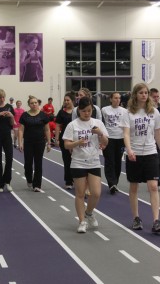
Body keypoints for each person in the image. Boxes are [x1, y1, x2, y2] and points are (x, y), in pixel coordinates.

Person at [63, 97, 108, 233]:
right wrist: (77, 143)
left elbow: (106, 142)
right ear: (79, 111)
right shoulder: (73, 125)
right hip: (78, 162)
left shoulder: (97, 123)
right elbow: (66, 145)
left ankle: (89, 212)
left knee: (96, 193)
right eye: (84, 111)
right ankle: (82, 221)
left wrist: (100, 133)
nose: (87, 113)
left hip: (94, 161)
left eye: (89, 111)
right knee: (80, 193)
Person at [120, 83, 160, 233]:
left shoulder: (154, 112)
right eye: (141, 92)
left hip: (151, 152)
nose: (144, 95)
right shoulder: (128, 113)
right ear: (135, 94)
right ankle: (136, 217)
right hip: (134, 153)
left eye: (146, 92)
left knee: (153, 186)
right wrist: (129, 150)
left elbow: (157, 134)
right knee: (134, 186)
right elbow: (126, 134)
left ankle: (156, 220)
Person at [18, 96, 51, 192]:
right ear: (29, 104)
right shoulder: (24, 115)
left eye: (36, 102)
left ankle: (37, 185)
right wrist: (20, 142)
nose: (34, 104)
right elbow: (21, 130)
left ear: (38, 103)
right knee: (28, 163)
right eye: (32, 103)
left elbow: (47, 129)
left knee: (38, 163)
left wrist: (49, 143)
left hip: (40, 142)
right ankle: (29, 179)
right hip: (28, 142)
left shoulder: (43, 115)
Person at [101, 92, 127, 194]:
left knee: (117, 162)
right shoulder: (104, 110)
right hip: (109, 138)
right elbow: (101, 123)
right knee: (109, 161)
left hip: (120, 139)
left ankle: (115, 182)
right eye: (115, 98)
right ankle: (111, 183)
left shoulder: (125, 111)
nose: (117, 100)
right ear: (111, 99)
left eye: (119, 98)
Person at [55, 91, 76, 189]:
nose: (66, 102)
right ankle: (68, 181)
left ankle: (77, 179)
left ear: (73, 101)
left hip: (76, 139)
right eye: (65, 100)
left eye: (68, 100)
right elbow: (58, 126)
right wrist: (57, 139)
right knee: (67, 160)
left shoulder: (77, 111)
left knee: (76, 160)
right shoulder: (61, 112)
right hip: (65, 138)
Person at [149, 88, 160, 188]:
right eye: (154, 97)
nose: (156, 99)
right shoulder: (147, 110)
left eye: (157, 97)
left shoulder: (158, 109)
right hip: (150, 139)